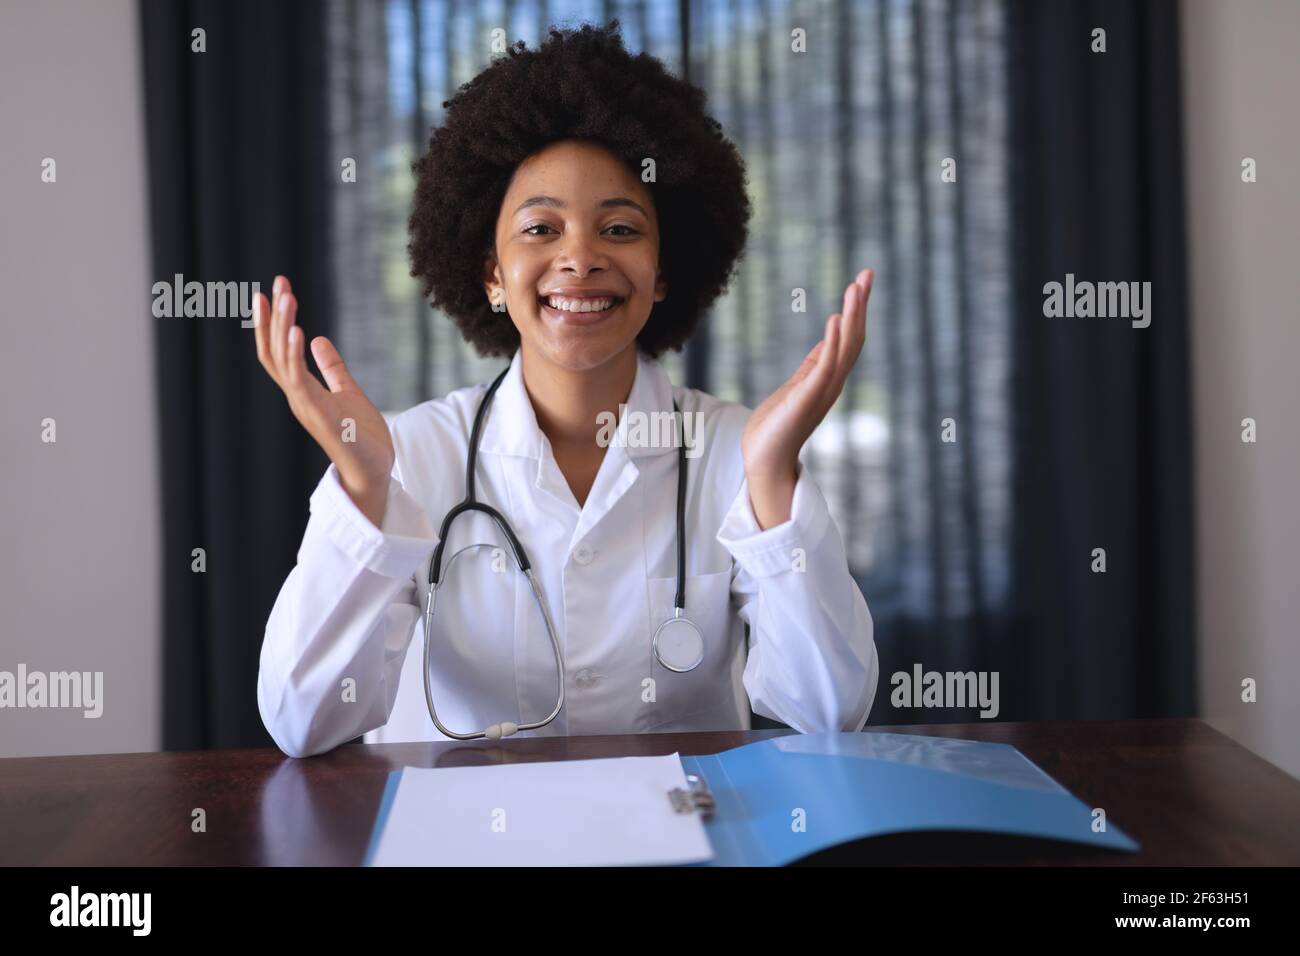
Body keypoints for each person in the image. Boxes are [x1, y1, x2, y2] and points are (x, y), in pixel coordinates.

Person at [254, 21, 878, 758]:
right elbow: (303, 721)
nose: (579, 258)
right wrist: (361, 488)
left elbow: (833, 713)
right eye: (540, 229)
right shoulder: (411, 456)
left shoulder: (735, 452)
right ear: (491, 273)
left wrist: (773, 477)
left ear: (665, 270)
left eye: (619, 229)